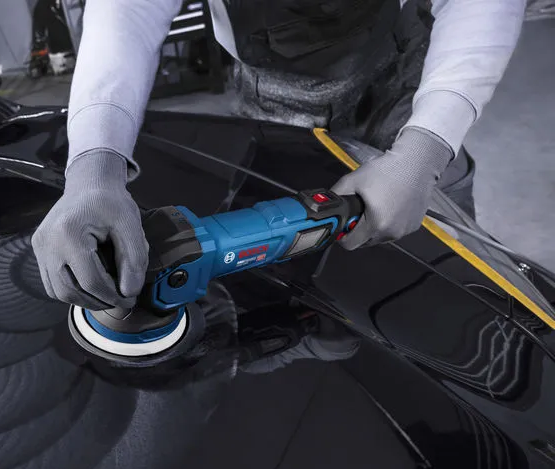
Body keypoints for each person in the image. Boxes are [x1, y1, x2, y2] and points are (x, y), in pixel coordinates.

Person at [32, 0, 526, 310]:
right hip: (274, 89)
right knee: (284, 279)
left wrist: (427, 147)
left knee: (446, 248)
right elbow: (125, 13)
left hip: (407, 67)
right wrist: (94, 163)